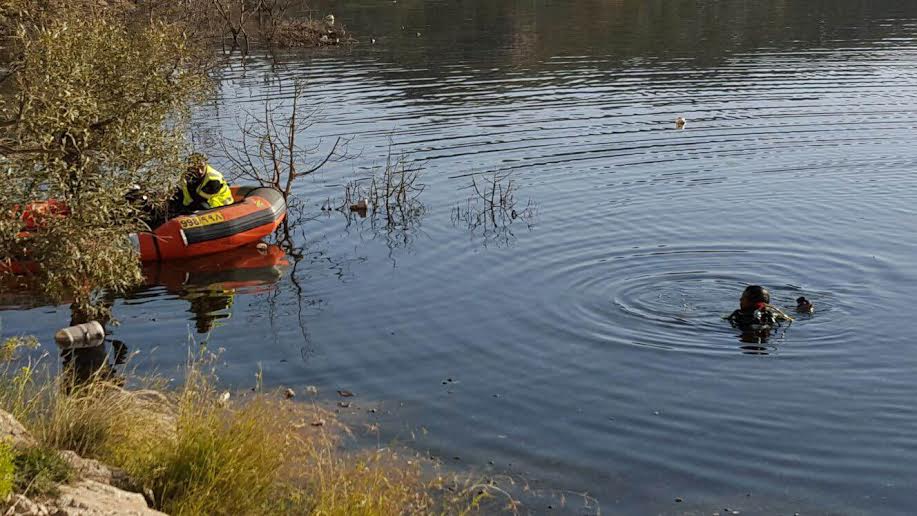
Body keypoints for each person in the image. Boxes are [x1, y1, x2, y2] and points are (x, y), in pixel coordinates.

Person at [726, 285, 794, 329]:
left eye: (743, 297)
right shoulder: (777, 315)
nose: (740, 299)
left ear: (751, 302)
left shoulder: (739, 315)